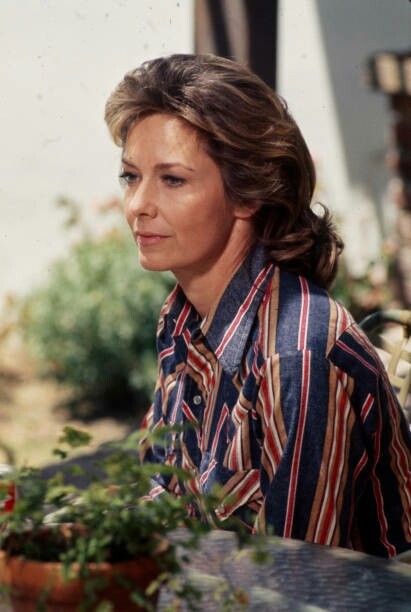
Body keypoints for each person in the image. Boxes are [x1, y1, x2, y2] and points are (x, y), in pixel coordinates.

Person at [104, 53, 411, 558]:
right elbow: (157, 497)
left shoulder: (297, 355)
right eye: (131, 177)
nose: (138, 205)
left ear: (248, 194)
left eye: (172, 179)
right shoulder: (180, 319)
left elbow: (293, 580)